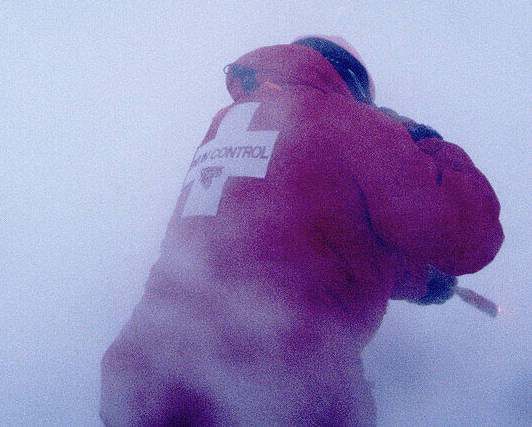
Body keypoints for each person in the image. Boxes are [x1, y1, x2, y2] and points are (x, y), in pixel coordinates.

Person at [100, 37, 504, 426]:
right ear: (354, 82)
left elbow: (312, 241)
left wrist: (425, 282)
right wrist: (421, 138)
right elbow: (472, 236)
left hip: (144, 379)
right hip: (281, 393)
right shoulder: (346, 121)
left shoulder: (227, 125)